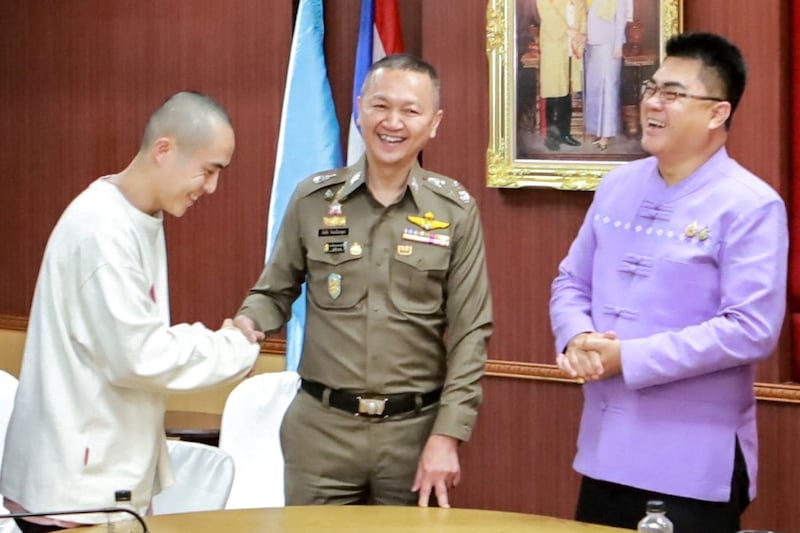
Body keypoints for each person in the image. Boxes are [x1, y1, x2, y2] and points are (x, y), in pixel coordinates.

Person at [549, 32, 788, 532]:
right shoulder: (617, 185)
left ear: (718, 113)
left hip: (692, 464)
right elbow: (571, 280)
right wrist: (577, 337)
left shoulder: (750, 205)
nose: (653, 103)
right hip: (605, 453)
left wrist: (628, 357)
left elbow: (751, 329)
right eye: (652, 88)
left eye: (674, 94)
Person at [233, 54, 493, 508]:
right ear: (359, 110)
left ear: (434, 123)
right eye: (380, 106)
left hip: (414, 436)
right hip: (321, 435)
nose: (392, 122)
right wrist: (247, 323)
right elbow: (273, 293)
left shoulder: (454, 210)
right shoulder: (313, 199)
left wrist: (448, 435)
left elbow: (471, 332)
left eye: (410, 110)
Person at [0, 91, 260, 532]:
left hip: (104, 480)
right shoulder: (102, 230)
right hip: (77, 492)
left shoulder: (134, 216)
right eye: (208, 170)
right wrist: (233, 347)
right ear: (164, 150)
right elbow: (139, 356)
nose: (212, 187)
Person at [536, 0, 586, 151]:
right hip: (554, 45)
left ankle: (565, 133)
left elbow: (582, 14)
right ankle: (551, 137)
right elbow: (548, 13)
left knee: (567, 92)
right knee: (553, 91)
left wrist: (580, 35)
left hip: (572, 47)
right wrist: (568, 31)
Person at [583, 0, 628, 151]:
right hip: (593, 45)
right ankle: (597, 130)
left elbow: (621, 20)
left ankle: (606, 135)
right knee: (595, 89)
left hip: (609, 46)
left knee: (608, 89)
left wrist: (618, 46)